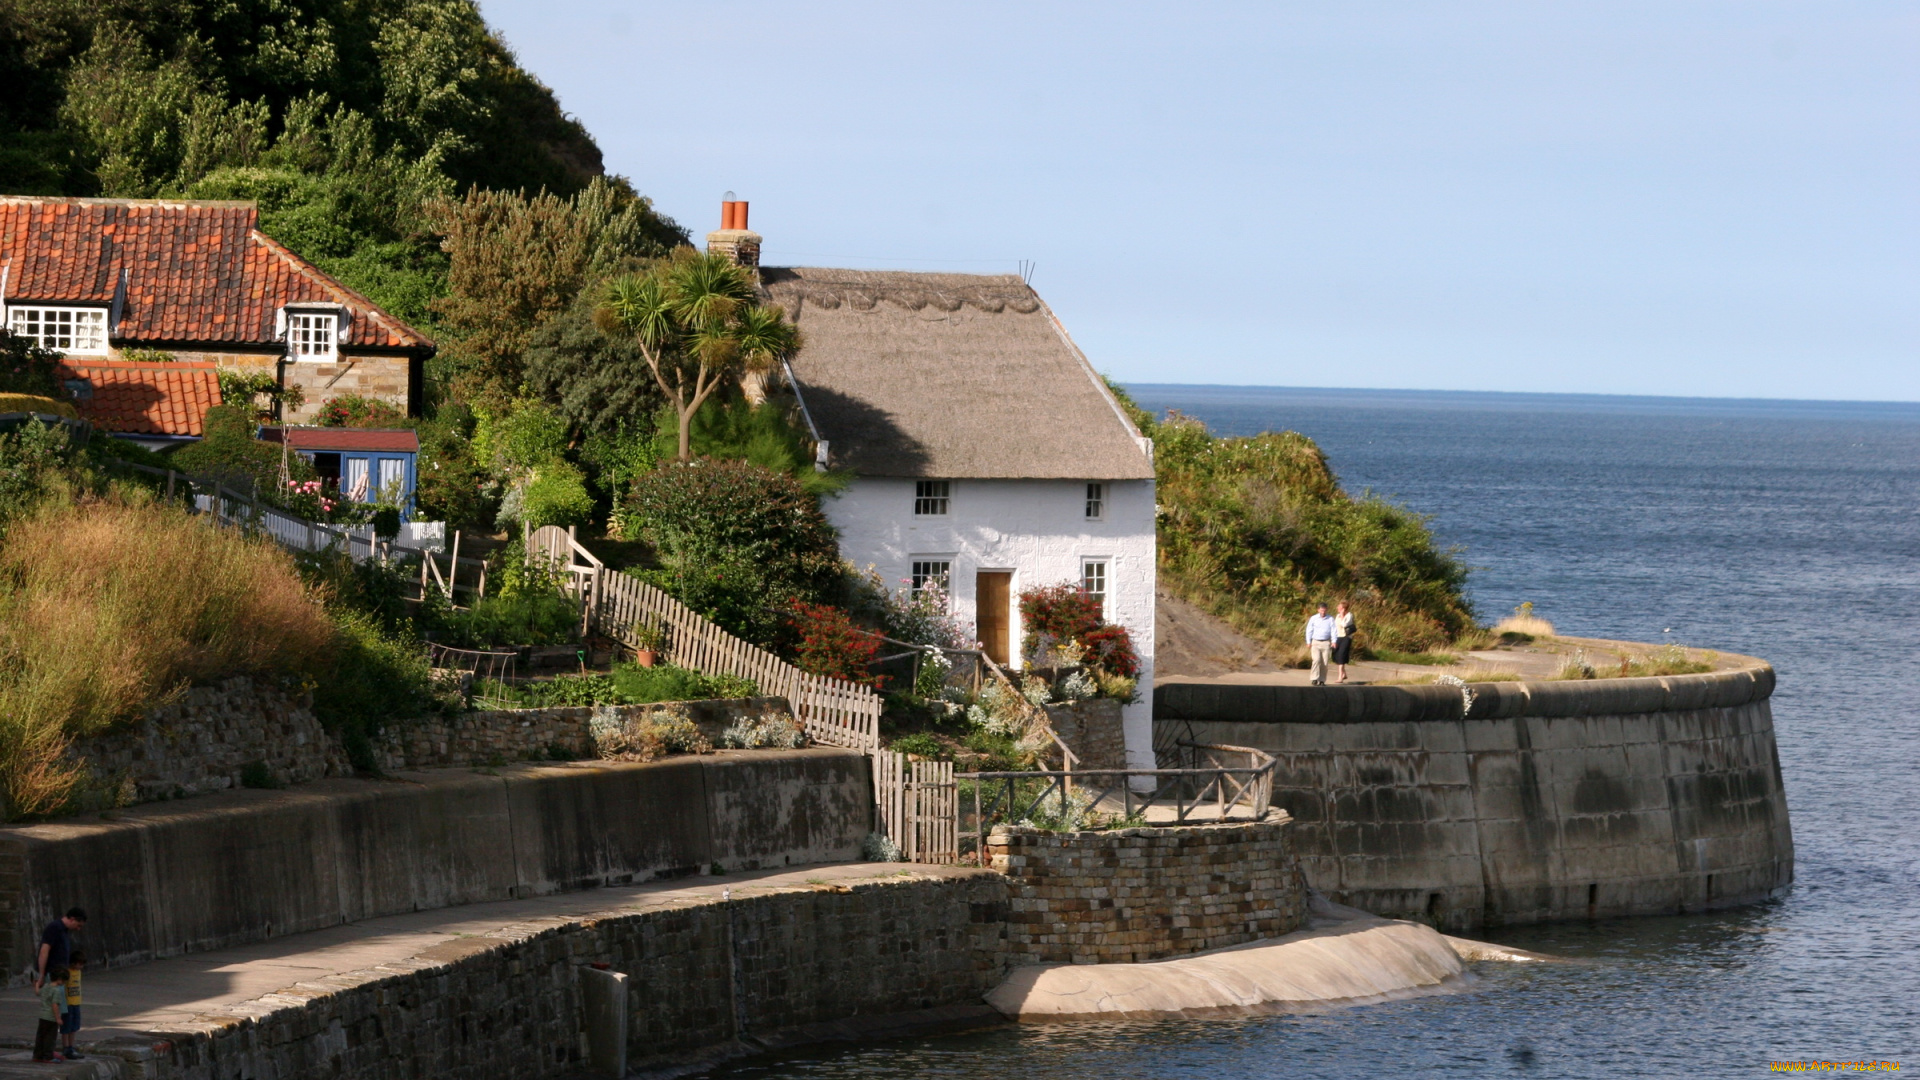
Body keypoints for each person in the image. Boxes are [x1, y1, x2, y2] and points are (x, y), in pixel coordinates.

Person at [33, 908, 84, 992]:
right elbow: (44, 951)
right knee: (56, 1003)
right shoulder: (55, 928)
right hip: (53, 975)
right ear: (72, 919)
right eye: (79, 925)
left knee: (59, 1003)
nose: (78, 929)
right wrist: (41, 975)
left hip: (59, 976)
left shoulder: (63, 930)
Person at [33, 966, 67, 1063]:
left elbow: (37, 992)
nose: (64, 983)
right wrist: (58, 1018)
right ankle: (48, 1056)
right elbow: (55, 1005)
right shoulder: (56, 991)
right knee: (50, 1038)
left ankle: (37, 1055)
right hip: (51, 1018)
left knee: (40, 1036)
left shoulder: (46, 986)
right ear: (60, 980)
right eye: (64, 981)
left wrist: (36, 985)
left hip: (42, 1016)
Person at [59, 950, 85, 1059]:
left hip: (76, 1002)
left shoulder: (78, 972)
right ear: (73, 963)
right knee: (66, 1026)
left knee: (74, 1026)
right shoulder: (67, 972)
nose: (81, 967)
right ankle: (66, 1047)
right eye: (79, 964)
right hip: (67, 1003)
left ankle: (71, 1046)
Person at [1305, 603, 1338, 685]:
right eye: (1321, 610)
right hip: (1315, 642)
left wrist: (1334, 641)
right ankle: (1314, 678)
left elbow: (1334, 630)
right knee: (1316, 660)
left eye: (1324, 610)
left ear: (1326, 610)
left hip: (1326, 642)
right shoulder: (1314, 618)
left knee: (1325, 662)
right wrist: (1308, 642)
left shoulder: (1330, 619)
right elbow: (1309, 630)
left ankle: (1322, 680)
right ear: (1318, 610)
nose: (1323, 612)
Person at [1331, 601, 1357, 683]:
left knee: (1341, 655)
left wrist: (1342, 616)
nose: (1337, 608)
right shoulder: (1337, 616)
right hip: (1338, 637)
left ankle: (1340, 677)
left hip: (1346, 637)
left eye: (1339, 607)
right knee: (1336, 655)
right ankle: (1344, 673)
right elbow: (1335, 627)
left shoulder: (1349, 615)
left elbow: (1344, 624)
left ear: (1343, 609)